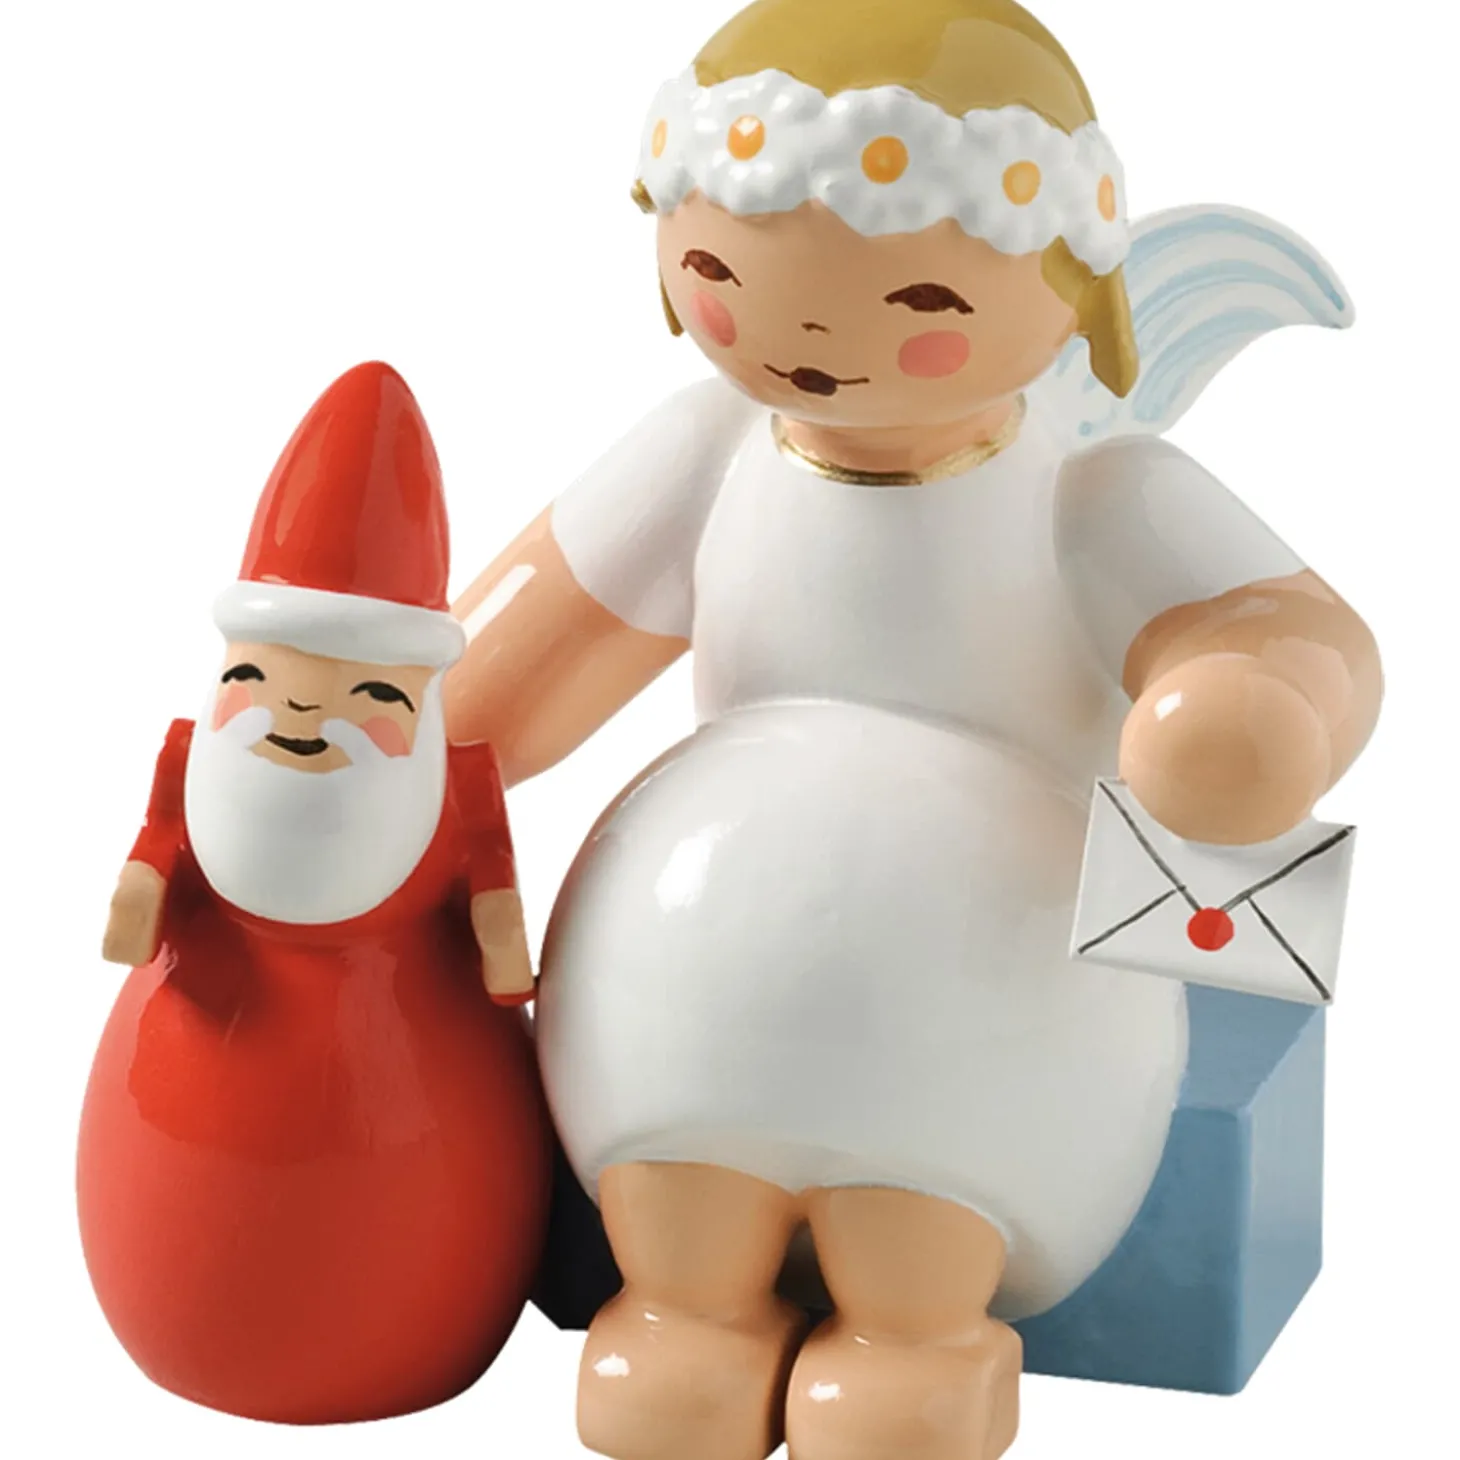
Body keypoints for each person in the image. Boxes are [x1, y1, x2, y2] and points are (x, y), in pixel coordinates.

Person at [444, 4, 1383, 1457]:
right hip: (676, 964)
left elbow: (1304, 637)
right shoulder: (703, 451)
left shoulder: (1095, 495)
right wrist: (394, 730)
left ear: (1070, 295)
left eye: (920, 303)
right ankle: (685, 1308)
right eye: (720, 277)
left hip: (994, 977)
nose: (817, 342)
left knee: (930, 1192)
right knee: (674, 1163)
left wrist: (1247, 711)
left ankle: (925, 1337)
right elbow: (516, 661)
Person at [81, 361, 550, 1424]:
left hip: (416, 1104)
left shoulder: (454, 789)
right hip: (191, 1053)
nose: (299, 713)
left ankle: (388, 1339)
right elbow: (157, 849)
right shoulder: (191, 764)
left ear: (421, 704)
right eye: (257, 678)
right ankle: (193, 1322)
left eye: (368, 693)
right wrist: (141, 888)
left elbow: (492, 898)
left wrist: (505, 947)